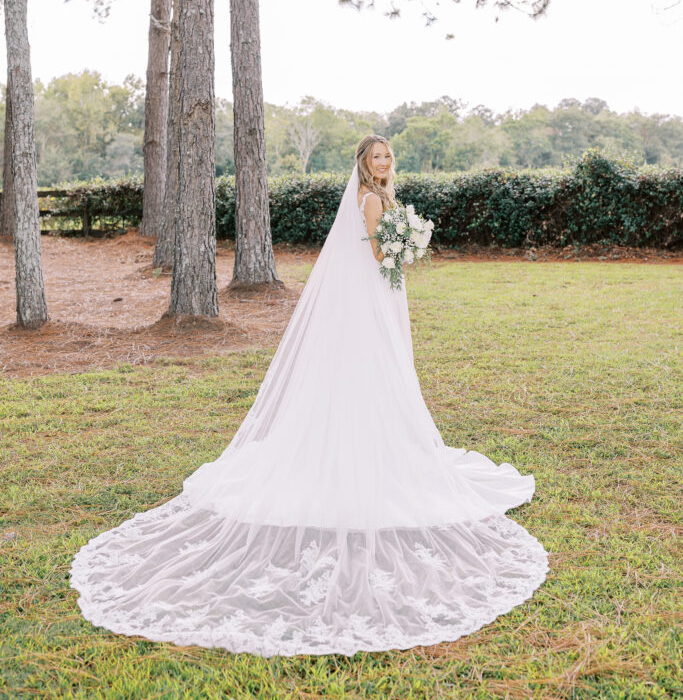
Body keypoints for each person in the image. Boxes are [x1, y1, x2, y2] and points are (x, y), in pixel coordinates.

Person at [70, 134, 549, 656]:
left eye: (388, 157)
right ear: (363, 166)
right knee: (376, 369)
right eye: (376, 158)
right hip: (374, 295)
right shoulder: (369, 200)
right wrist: (408, 246)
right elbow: (379, 254)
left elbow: (382, 254)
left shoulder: (383, 197)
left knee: (387, 370)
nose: (384, 163)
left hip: (383, 292)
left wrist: (405, 244)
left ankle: (377, 440)